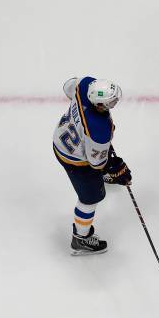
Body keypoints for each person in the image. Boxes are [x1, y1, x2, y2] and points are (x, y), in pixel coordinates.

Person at [53, 76, 132, 255]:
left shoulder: (84, 85)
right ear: (99, 105)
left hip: (60, 137)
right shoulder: (99, 129)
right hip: (74, 160)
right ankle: (81, 239)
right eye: (110, 101)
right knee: (91, 199)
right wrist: (113, 167)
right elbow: (96, 163)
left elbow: (68, 87)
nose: (115, 101)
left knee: (98, 154)